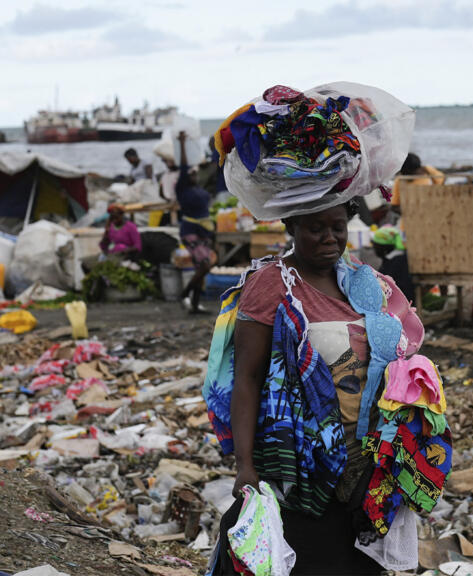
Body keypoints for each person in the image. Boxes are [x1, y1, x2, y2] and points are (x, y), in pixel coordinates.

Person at [204, 200, 448, 575]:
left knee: (354, 563)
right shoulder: (271, 284)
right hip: (297, 465)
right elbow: (247, 380)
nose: (329, 237)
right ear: (293, 227)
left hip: (363, 464)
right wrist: (245, 464)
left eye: (337, 226)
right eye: (316, 228)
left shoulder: (364, 283)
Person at [175, 131, 215, 314]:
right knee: (205, 265)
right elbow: (183, 165)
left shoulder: (199, 188)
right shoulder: (182, 189)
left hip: (203, 231)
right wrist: (182, 143)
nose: (193, 174)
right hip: (190, 230)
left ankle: (194, 305)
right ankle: (185, 293)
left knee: (202, 268)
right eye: (190, 173)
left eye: (194, 172)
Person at [371, 226, 415, 302]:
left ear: (384, 247)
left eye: (375, 246)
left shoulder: (393, 264)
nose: (374, 249)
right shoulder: (400, 258)